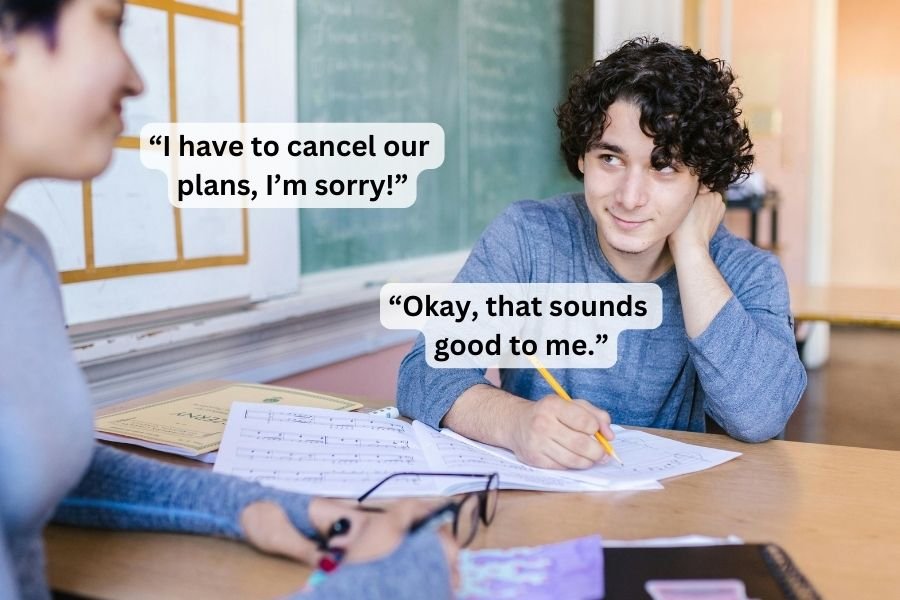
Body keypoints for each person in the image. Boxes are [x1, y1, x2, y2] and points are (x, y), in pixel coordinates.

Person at [0, 1, 457, 598]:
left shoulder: (22, 256)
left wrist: (258, 508)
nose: (135, 78)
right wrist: (396, 582)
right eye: (110, 21)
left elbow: (39, 469)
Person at [398, 37, 807, 470]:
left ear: (704, 179)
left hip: (686, 514)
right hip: (546, 509)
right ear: (582, 157)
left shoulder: (749, 273)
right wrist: (516, 422)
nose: (630, 197)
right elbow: (423, 373)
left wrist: (691, 249)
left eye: (664, 165)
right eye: (610, 159)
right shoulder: (528, 237)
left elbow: (761, 415)